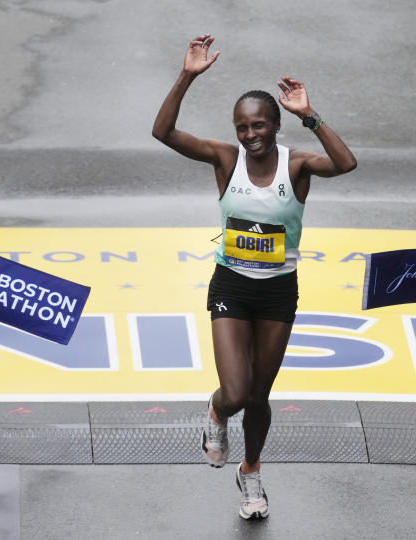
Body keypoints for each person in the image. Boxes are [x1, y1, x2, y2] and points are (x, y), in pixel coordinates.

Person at [151, 35, 357, 520]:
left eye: (259, 125)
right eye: (242, 127)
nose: (250, 135)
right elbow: (163, 132)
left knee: (261, 396)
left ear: (276, 125)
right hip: (232, 287)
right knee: (238, 392)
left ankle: (251, 473)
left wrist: (313, 115)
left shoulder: (299, 164)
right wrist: (188, 75)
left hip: (279, 292)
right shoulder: (226, 159)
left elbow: (346, 163)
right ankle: (218, 413)